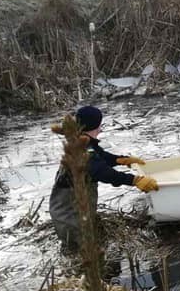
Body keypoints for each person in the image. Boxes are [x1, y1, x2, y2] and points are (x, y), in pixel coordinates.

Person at [49, 105, 159, 252]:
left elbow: (101, 156)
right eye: (100, 125)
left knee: (84, 241)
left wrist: (121, 160)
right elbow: (102, 172)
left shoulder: (82, 141)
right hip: (69, 214)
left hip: (77, 208)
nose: (101, 128)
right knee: (80, 249)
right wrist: (135, 180)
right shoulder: (83, 150)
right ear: (95, 126)